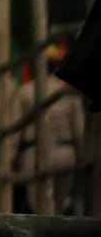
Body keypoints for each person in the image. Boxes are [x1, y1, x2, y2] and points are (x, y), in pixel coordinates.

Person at [13, 44, 85, 216]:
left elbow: (17, 128)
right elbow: (79, 128)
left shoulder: (26, 92)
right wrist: (81, 154)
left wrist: (13, 154)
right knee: (59, 205)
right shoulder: (68, 92)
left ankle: (46, 232)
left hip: (34, 153)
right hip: (65, 153)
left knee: (39, 206)